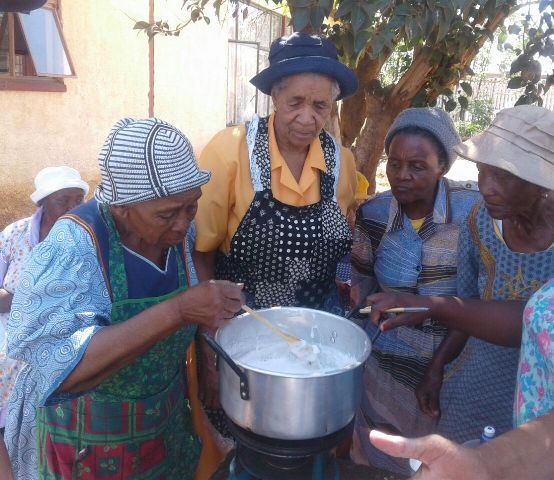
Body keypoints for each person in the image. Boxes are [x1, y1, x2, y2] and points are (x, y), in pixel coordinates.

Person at [366, 99, 554, 478]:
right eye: (482, 172)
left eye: (503, 177)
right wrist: (437, 366)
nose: (486, 188)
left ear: (542, 184)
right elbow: (469, 305)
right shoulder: (479, 222)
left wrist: (431, 306)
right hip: (477, 379)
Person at [4, 118, 244, 480]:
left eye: (191, 207)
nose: (182, 224)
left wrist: (209, 358)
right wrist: (179, 310)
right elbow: (61, 371)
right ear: (121, 208)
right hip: (87, 439)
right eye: (167, 214)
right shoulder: (74, 246)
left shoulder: (178, 234)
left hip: (162, 424)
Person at [192, 31, 358, 434]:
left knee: (312, 437)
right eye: (295, 102)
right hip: (243, 341)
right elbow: (200, 255)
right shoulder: (230, 152)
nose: (307, 118)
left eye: (320, 106)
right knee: (245, 436)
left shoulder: (342, 162)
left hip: (317, 343)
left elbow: (335, 244)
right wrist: (210, 352)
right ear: (274, 97)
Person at [348, 107, 480, 475]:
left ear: (443, 167)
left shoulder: (473, 214)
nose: (402, 175)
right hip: (385, 364)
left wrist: (437, 368)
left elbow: (478, 303)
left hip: (451, 364)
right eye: (394, 164)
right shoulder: (374, 214)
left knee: (434, 463)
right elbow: (361, 284)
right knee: (378, 454)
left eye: (418, 166)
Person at [0, 166, 88, 434]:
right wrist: (32, 301)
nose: (73, 208)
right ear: (43, 203)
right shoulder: (15, 234)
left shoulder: (87, 238)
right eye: (63, 201)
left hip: (64, 331)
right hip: (10, 329)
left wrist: (24, 299)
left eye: (78, 200)